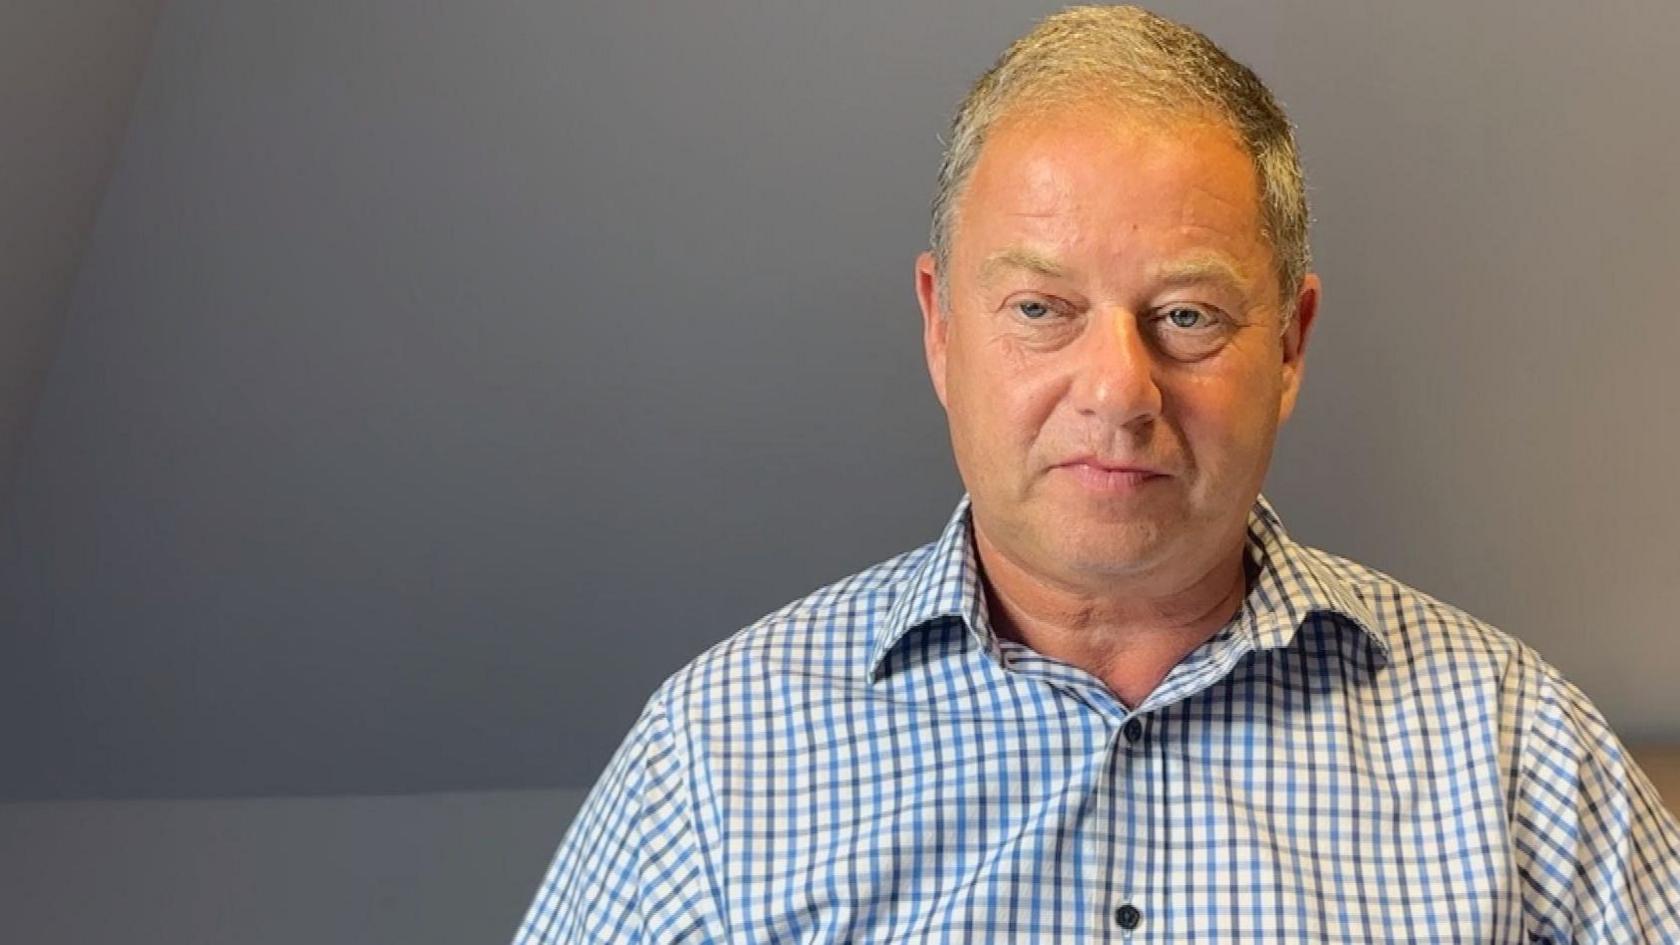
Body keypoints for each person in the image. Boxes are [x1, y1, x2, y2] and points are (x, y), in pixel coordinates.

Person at [512, 6, 1680, 941]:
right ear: (939, 328)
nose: (1119, 391)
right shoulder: (716, 762)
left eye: (1185, 314)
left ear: (1289, 346)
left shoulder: (1521, 751)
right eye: (1040, 308)